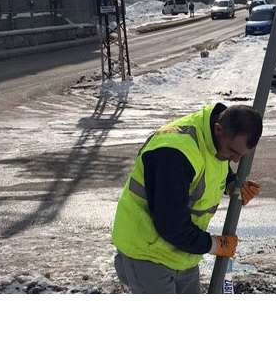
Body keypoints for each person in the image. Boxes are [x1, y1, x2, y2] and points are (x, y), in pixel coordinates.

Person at [112, 103, 263, 294]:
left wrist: (233, 183)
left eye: (242, 155)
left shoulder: (216, 140)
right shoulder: (175, 152)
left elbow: (209, 168)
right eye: (234, 152)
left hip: (182, 252)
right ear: (218, 130)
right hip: (147, 252)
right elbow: (171, 224)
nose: (235, 160)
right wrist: (215, 245)